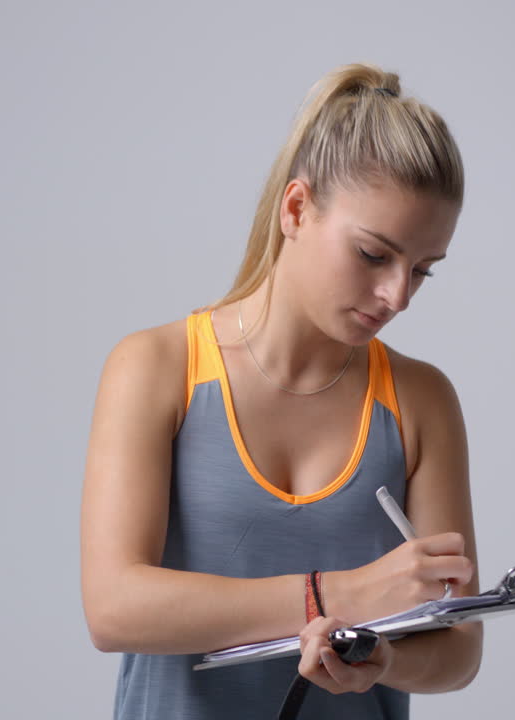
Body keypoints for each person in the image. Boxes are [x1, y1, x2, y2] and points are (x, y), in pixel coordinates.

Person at [80, 62, 481, 719]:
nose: (397, 296)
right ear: (297, 209)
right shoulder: (156, 368)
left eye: (422, 271)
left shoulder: (421, 400)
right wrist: (341, 594)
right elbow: (113, 607)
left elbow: (460, 645)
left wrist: (387, 661)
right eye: (375, 255)